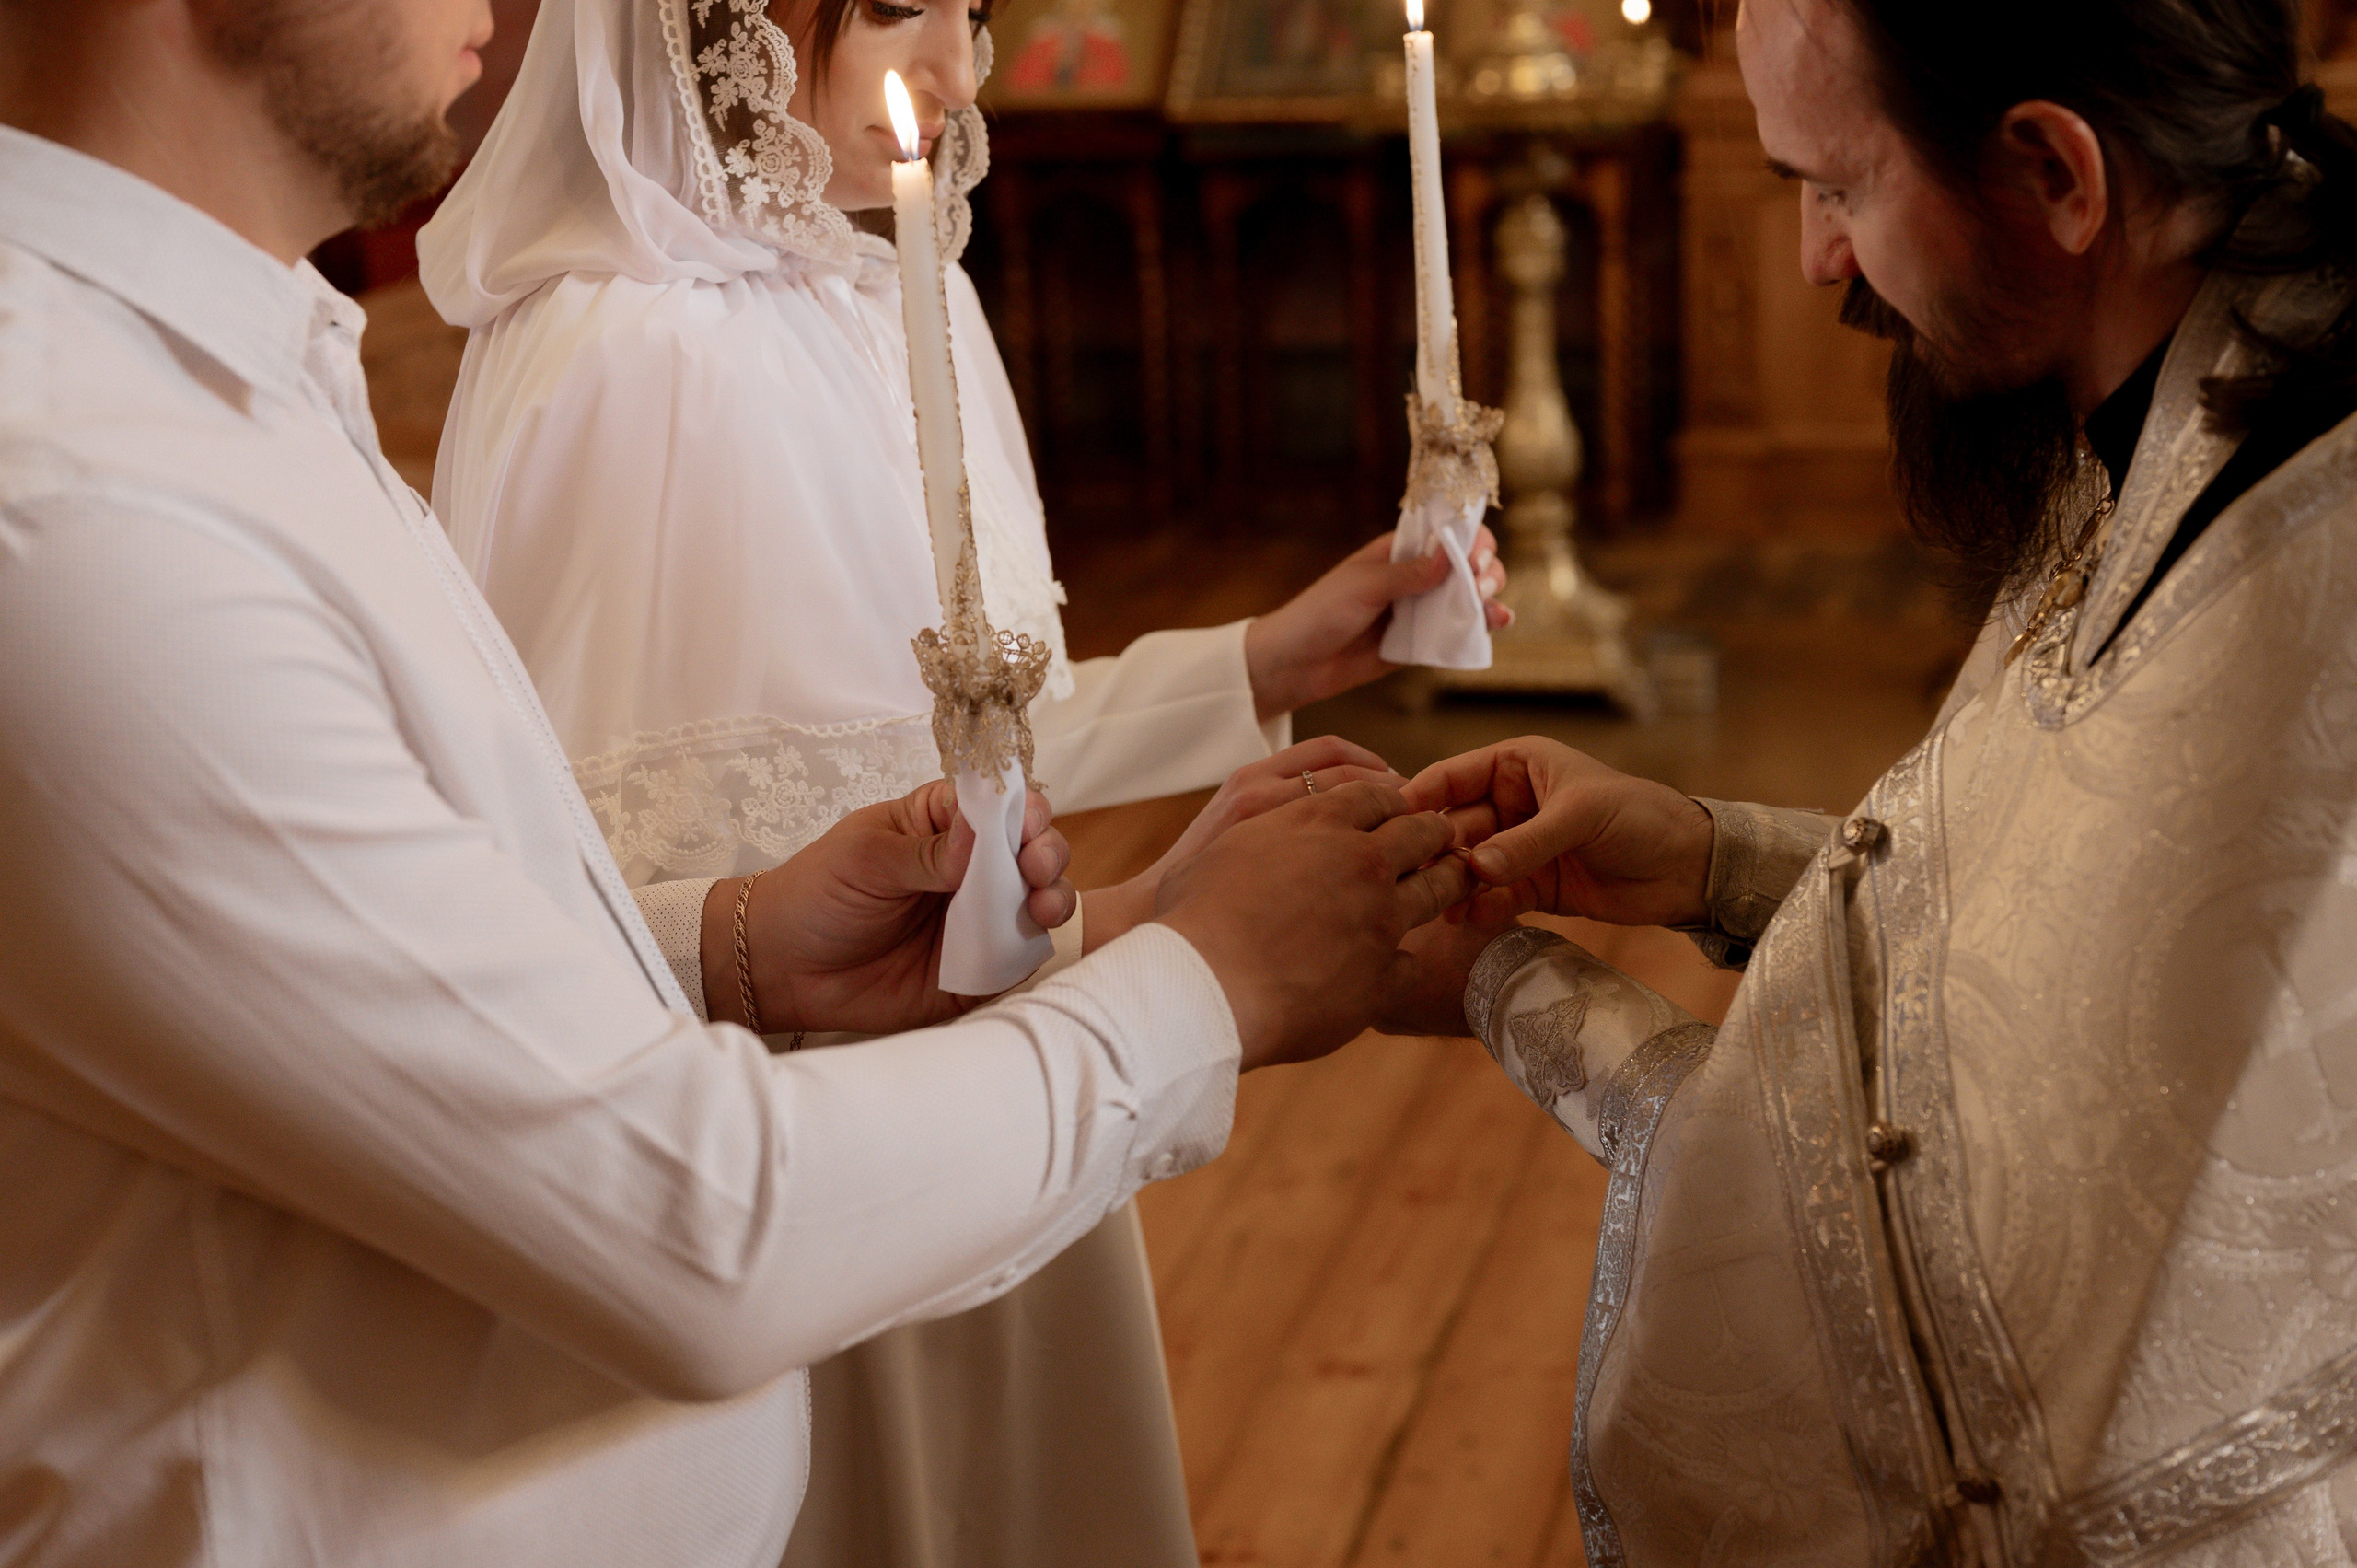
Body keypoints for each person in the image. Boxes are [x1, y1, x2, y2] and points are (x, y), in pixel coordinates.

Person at [0, 3, 1474, 1564]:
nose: (501, 6)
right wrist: (1208, 974)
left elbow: (434, 935)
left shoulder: (240, 378)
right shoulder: (84, 509)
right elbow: (688, 1230)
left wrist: (735, 942)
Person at [1386, 0, 2357, 1561]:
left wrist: (1496, 978)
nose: (1813, 263)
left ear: (2056, 173)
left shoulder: (2306, 597)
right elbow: (2068, 918)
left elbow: (1958, 1273)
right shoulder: (2213, 371)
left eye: (1833, 188)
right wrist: (1711, 858)